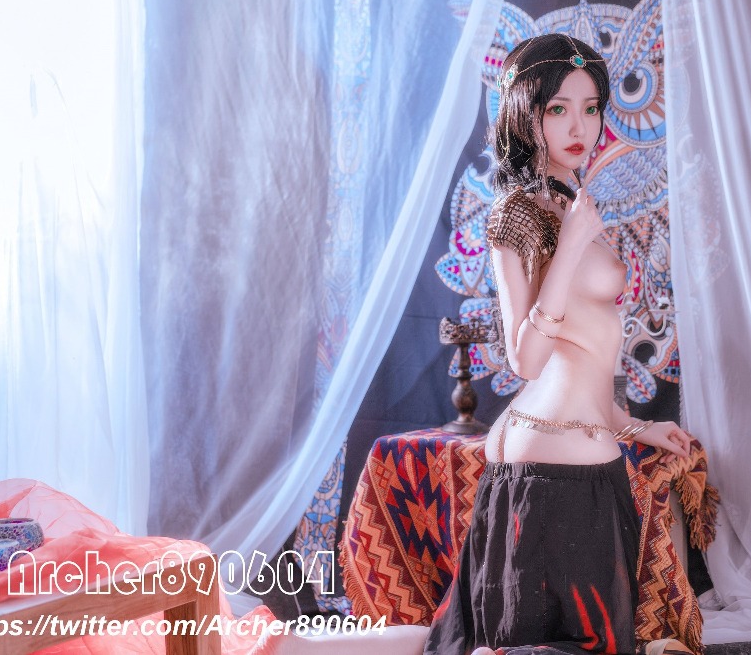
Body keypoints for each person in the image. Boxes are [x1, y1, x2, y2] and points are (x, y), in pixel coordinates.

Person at [260, 33, 695, 655]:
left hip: (579, 454)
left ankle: (296, 649)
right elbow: (527, 359)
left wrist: (636, 427)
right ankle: (292, 648)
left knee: (478, 638)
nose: (580, 126)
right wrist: (572, 247)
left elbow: (586, 356)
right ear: (525, 114)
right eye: (558, 109)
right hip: (550, 466)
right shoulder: (516, 214)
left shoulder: (573, 204)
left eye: (591, 107)